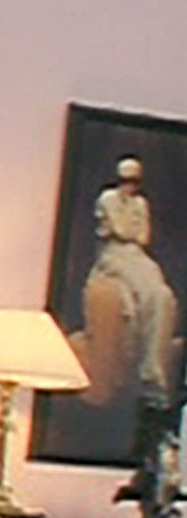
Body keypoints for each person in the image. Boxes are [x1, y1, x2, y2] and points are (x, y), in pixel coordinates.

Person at [85, 155, 178, 405]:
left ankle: (153, 369)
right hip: (113, 255)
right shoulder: (108, 198)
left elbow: (142, 237)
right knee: (137, 292)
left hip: (136, 254)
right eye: (126, 180)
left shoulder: (140, 203)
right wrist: (129, 227)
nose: (130, 186)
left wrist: (131, 226)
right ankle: (140, 368)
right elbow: (121, 230)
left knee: (161, 295)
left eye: (134, 181)